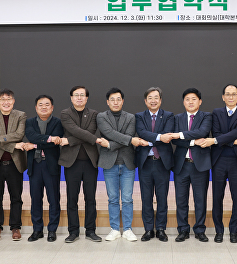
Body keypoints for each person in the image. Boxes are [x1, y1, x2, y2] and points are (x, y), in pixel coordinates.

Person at [200, 84, 237, 243]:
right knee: (217, 197)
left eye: (234, 94)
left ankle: (234, 231)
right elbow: (217, 133)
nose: (231, 97)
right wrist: (234, 141)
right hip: (219, 160)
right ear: (223, 97)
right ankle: (219, 231)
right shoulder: (216, 112)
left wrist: (217, 141)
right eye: (228, 94)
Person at [96, 88, 148, 242]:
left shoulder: (131, 117)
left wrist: (109, 144)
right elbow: (110, 133)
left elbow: (128, 135)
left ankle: (127, 229)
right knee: (112, 198)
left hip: (127, 163)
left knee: (127, 199)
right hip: (109, 163)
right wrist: (129, 140)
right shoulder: (101, 116)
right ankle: (114, 229)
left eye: (118, 99)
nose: (115, 102)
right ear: (107, 102)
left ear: (123, 101)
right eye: (112, 99)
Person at [59, 86, 108, 243]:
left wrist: (69, 140)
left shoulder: (94, 114)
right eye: (76, 95)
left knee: (90, 198)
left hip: (89, 162)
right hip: (71, 162)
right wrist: (94, 139)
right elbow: (75, 130)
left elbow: (90, 132)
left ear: (87, 98)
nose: (79, 98)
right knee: (72, 198)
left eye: (82, 95)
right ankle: (73, 231)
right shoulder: (65, 113)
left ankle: (90, 231)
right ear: (71, 97)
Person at [171, 88, 212, 242]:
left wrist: (181, 135)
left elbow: (202, 132)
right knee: (181, 200)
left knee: (200, 199)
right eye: (187, 99)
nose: (190, 102)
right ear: (183, 102)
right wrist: (193, 142)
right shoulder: (177, 118)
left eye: (194, 99)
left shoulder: (206, 116)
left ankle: (200, 230)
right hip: (181, 165)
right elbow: (175, 140)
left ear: (200, 101)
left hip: (199, 165)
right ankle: (183, 230)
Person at [0, 89, 27, 241]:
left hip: (15, 163)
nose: (6, 102)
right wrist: (14, 145)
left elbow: (19, 135)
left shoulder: (21, 115)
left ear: (13, 101)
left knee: (16, 197)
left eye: (9, 99)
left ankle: (15, 227)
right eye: (3, 99)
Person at [135, 87, 175, 242]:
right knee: (146, 197)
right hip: (145, 162)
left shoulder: (169, 116)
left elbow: (168, 134)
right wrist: (159, 137)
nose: (153, 101)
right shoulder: (139, 116)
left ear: (160, 100)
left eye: (156, 97)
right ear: (145, 101)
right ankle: (148, 229)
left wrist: (151, 140)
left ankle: (161, 229)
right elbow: (142, 132)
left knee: (162, 197)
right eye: (150, 98)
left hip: (162, 163)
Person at [23, 95, 63, 242]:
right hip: (35, 165)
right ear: (36, 107)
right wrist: (49, 138)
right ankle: (37, 230)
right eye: (41, 104)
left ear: (52, 107)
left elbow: (54, 143)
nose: (44, 107)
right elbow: (31, 136)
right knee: (35, 198)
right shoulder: (29, 122)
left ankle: (52, 230)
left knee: (53, 199)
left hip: (51, 165)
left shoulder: (58, 122)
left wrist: (34, 145)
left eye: (47, 104)